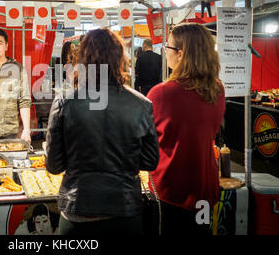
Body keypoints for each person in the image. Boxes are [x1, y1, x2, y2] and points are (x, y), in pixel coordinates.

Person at [46, 28, 159, 236]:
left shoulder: (65, 102)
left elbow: (54, 166)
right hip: (125, 211)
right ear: (120, 59)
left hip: (77, 213)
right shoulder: (142, 104)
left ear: (82, 59)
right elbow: (150, 161)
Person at [147, 23, 225, 235]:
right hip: (205, 186)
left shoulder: (162, 93)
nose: (166, 52)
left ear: (180, 54)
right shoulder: (217, 89)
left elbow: (145, 141)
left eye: (168, 47)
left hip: (172, 189)